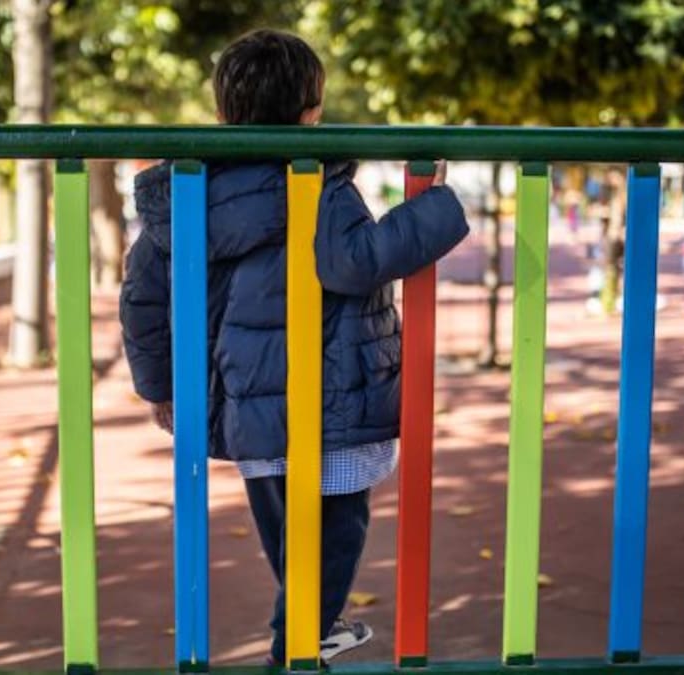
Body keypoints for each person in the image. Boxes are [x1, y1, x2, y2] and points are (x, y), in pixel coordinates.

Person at [119, 29, 469, 666]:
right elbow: (356, 261)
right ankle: (298, 643)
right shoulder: (318, 183)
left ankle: (307, 629)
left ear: (222, 113)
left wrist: (161, 386)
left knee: (284, 529)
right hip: (331, 399)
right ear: (312, 114)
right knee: (338, 528)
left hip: (247, 405)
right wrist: (437, 209)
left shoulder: (189, 197)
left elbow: (143, 297)